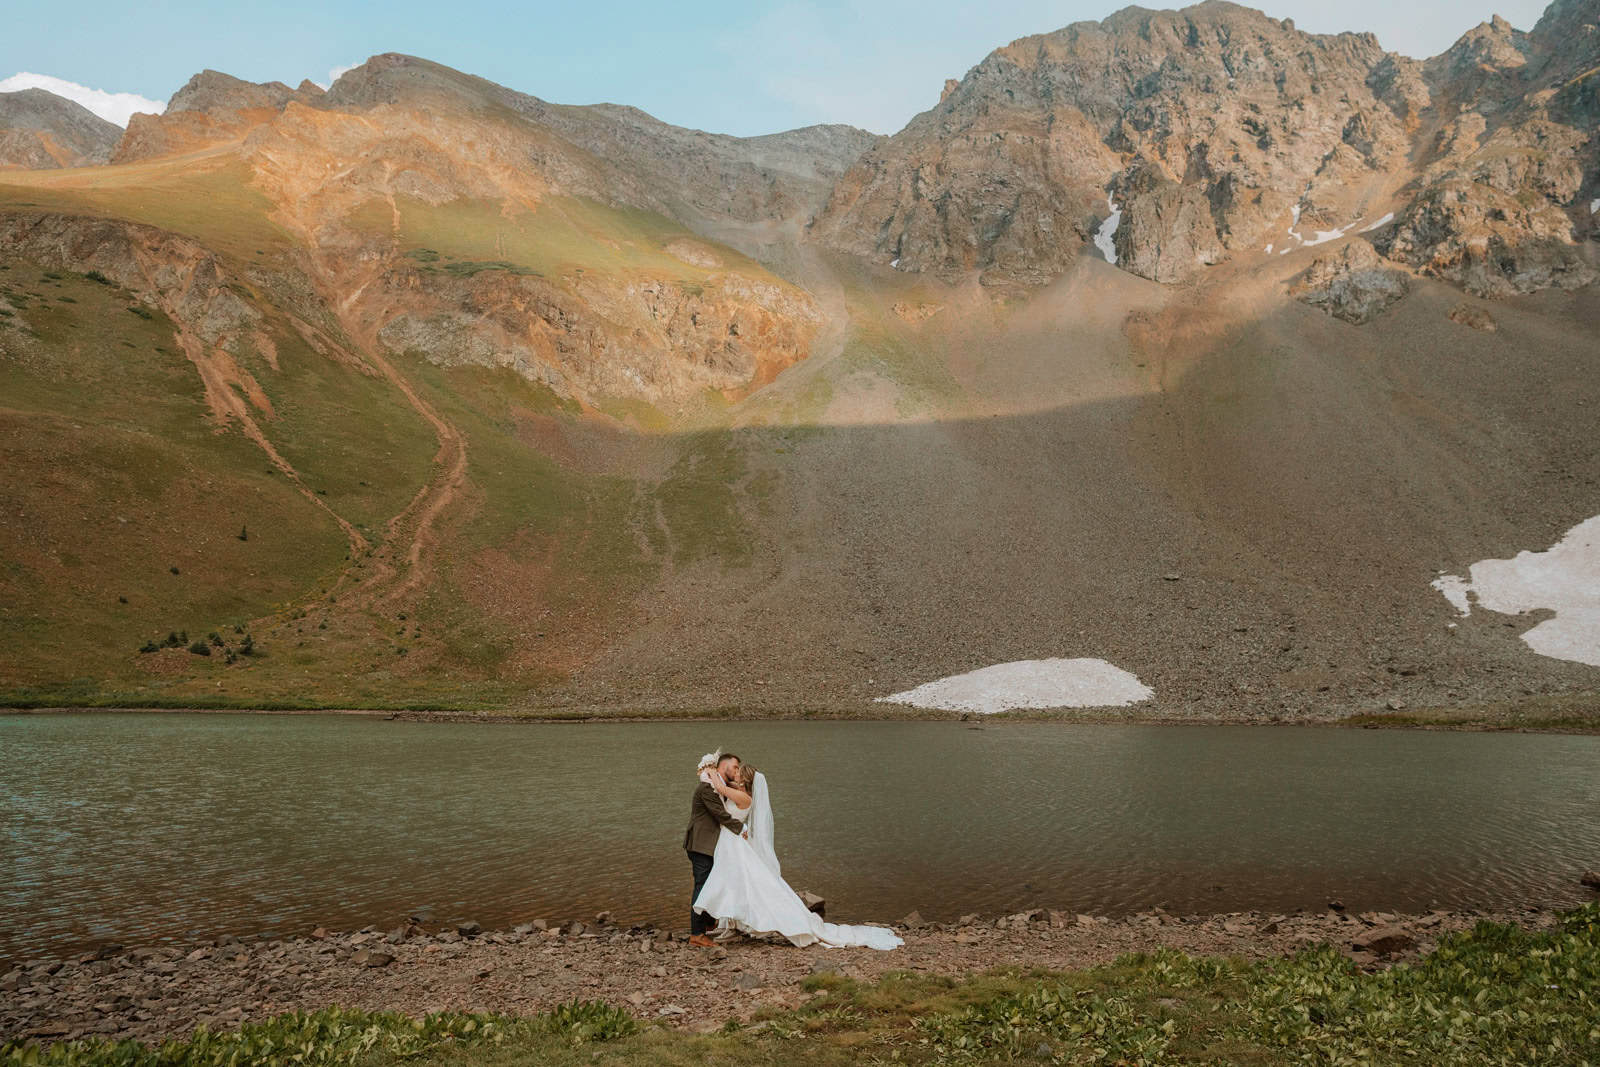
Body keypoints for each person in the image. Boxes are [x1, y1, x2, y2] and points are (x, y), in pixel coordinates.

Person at [692, 759, 902, 951]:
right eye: (735, 769)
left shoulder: (741, 796)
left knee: (745, 884)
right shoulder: (740, 792)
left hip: (733, 842)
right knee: (737, 883)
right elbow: (723, 787)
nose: (735, 773)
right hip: (731, 843)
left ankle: (715, 925)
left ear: (745, 780)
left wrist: (708, 770)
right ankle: (726, 922)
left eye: (738, 772)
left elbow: (719, 787)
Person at [683, 750, 747, 948]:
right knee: (702, 887)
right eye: (734, 766)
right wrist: (741, 828)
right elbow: (720, 814)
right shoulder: (706, 787)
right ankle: (697, 934)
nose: (736, 771)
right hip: (700, 844)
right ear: (722, 765)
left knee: (711, 883)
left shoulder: (717, 785)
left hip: (709, 845)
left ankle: (709, 923)